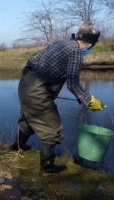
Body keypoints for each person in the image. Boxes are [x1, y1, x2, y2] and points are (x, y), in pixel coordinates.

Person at [9, 22, 104, 176]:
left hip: (25, 84)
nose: (89, 49)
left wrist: (32, 83)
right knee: (52, 129)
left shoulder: (60, 43)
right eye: (91, 46)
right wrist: (90, 101)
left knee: (28, 119)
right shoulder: (76, 53)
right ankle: (47, 168)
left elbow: (32, 61)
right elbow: (73, 84)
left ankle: (17, 146)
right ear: (90, 43)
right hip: (38, 91)